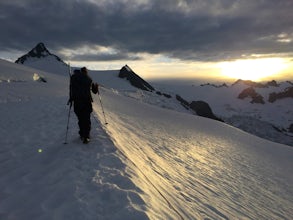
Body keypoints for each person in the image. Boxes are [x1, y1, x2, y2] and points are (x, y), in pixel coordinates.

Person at [68, 67, 99, 144]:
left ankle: (82, 134)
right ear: (85, 72)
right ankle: (86, 136)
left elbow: (71, 90)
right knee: (87, 119)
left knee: (80, 119)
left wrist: (71, 99)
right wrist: (96, 87)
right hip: (86, 101)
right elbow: (94, 91)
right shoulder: (88, 79)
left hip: (77, 102)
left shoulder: (73, 78)